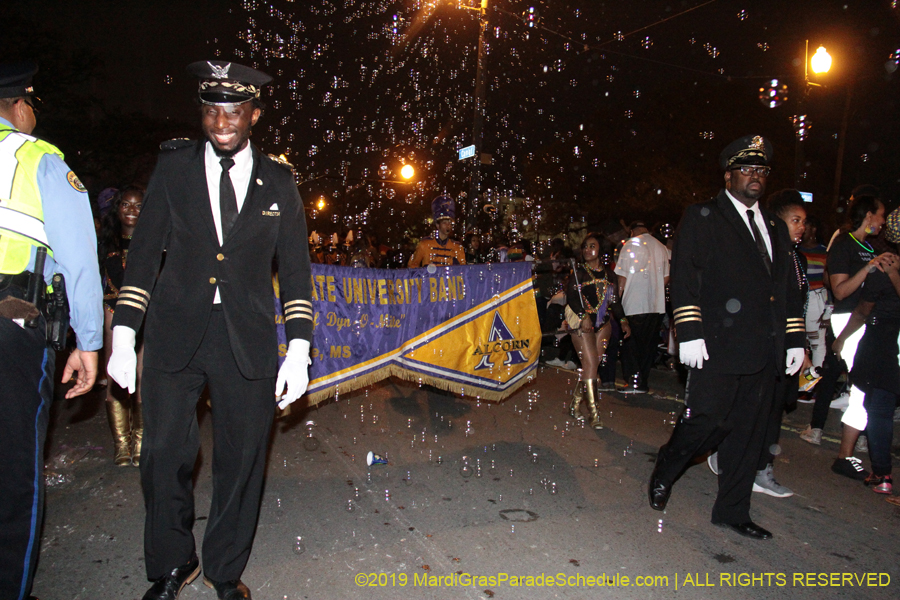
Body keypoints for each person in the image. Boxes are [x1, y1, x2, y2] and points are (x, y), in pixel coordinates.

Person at [106, 60, 313, 600]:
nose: (222, 121)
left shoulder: (280, 180)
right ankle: (173, 563)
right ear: (202, 114)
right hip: (175, 331)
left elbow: (294, 271)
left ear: (254, 115)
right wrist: (125, 333)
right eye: (212, 111)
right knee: (162, 457)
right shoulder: (172, 169)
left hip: (244, 337)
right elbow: (144, 253)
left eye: (234, 111)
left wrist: (299, 349)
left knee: (241, 462)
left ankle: (224, 568)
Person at [648, 135, 805, 540]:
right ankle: (668, 464)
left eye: (762, 171)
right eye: (748, 169)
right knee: (707, 422)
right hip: (716, 342)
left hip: (764, 347)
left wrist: (793, 339)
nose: (756, 177)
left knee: (749, 432)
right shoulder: (703, 215)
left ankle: (732, 510)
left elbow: (785, 289)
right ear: (728, 175)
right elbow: (686, 277)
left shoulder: (774, 225)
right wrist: (689, 331)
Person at [0, 62, 103, 600]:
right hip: (12, 326)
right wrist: (88, 342)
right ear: (18, 106)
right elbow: (80, 259)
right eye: (31, 105)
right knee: (14, 470)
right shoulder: (36, 158)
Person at [824, 194, 889, 479]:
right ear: (869, 215)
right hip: (848, 319)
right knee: (864, 389)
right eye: (881, 215)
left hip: (865, 321)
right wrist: (868, 267)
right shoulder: (844, 244)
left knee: (865, 389)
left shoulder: (867, 245)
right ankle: (845, 456)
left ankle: (849, 453)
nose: (884, 222)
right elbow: (839, 291)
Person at [750, 190, 809, 498]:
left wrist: (802, 346)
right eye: (795, 220)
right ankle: (744, 460)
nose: (802, 227)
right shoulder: (766, 253)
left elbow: (795, 307)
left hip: (787, 347)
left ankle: (762, 468)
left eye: (804, 221)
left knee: (775, 410)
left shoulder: (796, 257)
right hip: (765, 346)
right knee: (755, 409)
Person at [99, 185, 145, 466]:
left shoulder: (154, 239)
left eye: (138, 205)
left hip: (144, 313)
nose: (131, 210)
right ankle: (121, 444)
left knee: (141, 379)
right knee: (115, 379)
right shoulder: (105, 241)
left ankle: (140, 442)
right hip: (112, 313)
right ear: (117, 209)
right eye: (126, 205)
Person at [565, 233, 630, 429]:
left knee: (591, 366)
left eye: (591, 246)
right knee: (591, 364)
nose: (586, 250)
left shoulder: (611, 275)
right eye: (584, 246)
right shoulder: (578, 273)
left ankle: (575, 404)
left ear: (601, 250)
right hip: (581, 323)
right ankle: (594, 413)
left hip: (603, 325)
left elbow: (614, 302)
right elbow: (572, 297)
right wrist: (583, 316)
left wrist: (624, 321)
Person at [614, 220, 670, 393]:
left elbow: (621, 277)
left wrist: (617, 301)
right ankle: (642, 382)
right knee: (648, 346)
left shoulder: (631, 245)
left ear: (632, 232)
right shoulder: (662, 247)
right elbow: (667, 278)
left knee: (631, 345)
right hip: (656, 305)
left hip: (634, 303)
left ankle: (632, 381)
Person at [408, 195, 466, 267]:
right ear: (438, 225)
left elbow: (463, 269)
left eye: (450, 223)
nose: (448, 225)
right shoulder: (425, 244)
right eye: (444, 222)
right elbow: (412, 265)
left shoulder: (457, 247)